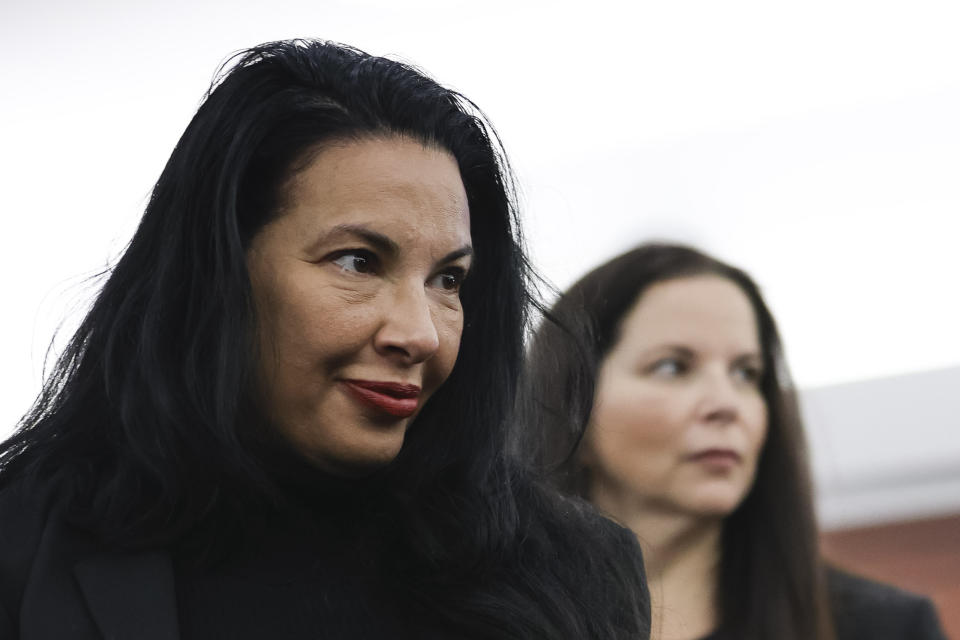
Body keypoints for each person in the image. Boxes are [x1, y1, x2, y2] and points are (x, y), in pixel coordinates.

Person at [0, 40, 649, 639]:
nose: (419, 334)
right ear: (219, 271)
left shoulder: (576, 569)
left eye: (448, 279)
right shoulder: (24, 544)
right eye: (358, 262)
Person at [520, 243, 947, 640]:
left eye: (747, 374)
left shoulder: (886, 628)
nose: (727, 404)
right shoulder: (486, 618)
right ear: (571, 403)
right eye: (672, 367)